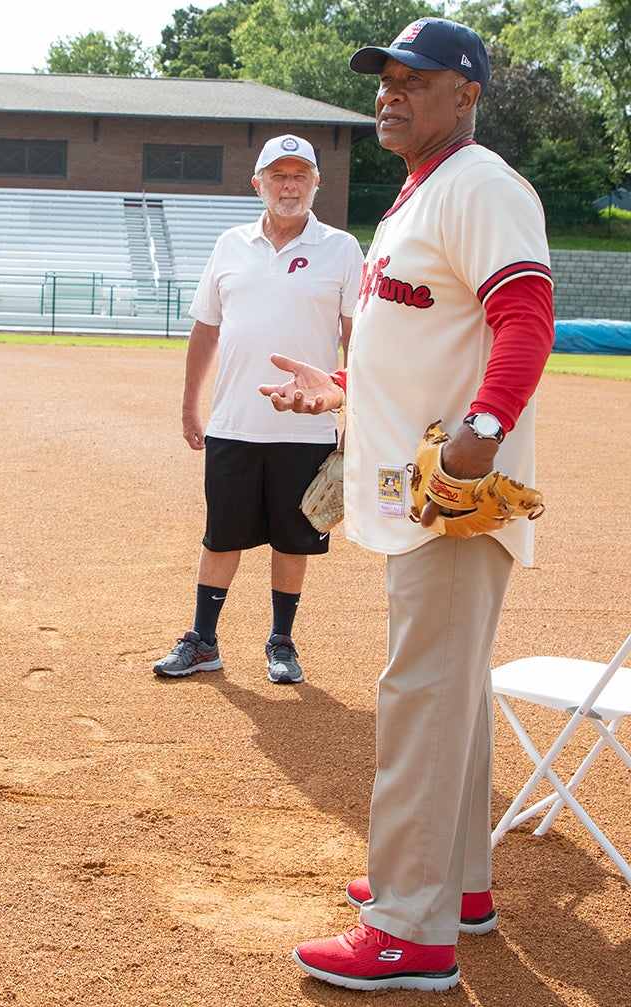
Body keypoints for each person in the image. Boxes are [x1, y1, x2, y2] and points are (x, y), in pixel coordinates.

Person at [258, 19, 554, 991]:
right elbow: (426, 335)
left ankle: (408, 926)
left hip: (453, 493)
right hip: (424, 485)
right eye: (384, 80)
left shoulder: (480, 184)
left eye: (414, 80)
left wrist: (483, 430)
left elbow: (526, 315)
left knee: (422, 689)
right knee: (449, 687)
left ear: (466, 93)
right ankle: (454, 881)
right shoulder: (423, 189)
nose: (390, 94)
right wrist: (339, 387)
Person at [152, 134, 363, 685]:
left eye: (299, 175)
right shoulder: (230, 244)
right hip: (234, 423)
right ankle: (203, 640)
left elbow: (358, 340)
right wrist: (189, 408)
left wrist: (355, 414)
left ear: (317, 183)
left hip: (308, 424)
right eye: (278, 175)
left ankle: (282, 642)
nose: (288, 185)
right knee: (221, 535)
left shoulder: (341, 248)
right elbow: (206, 329)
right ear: (258, 183)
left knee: (293, 539)